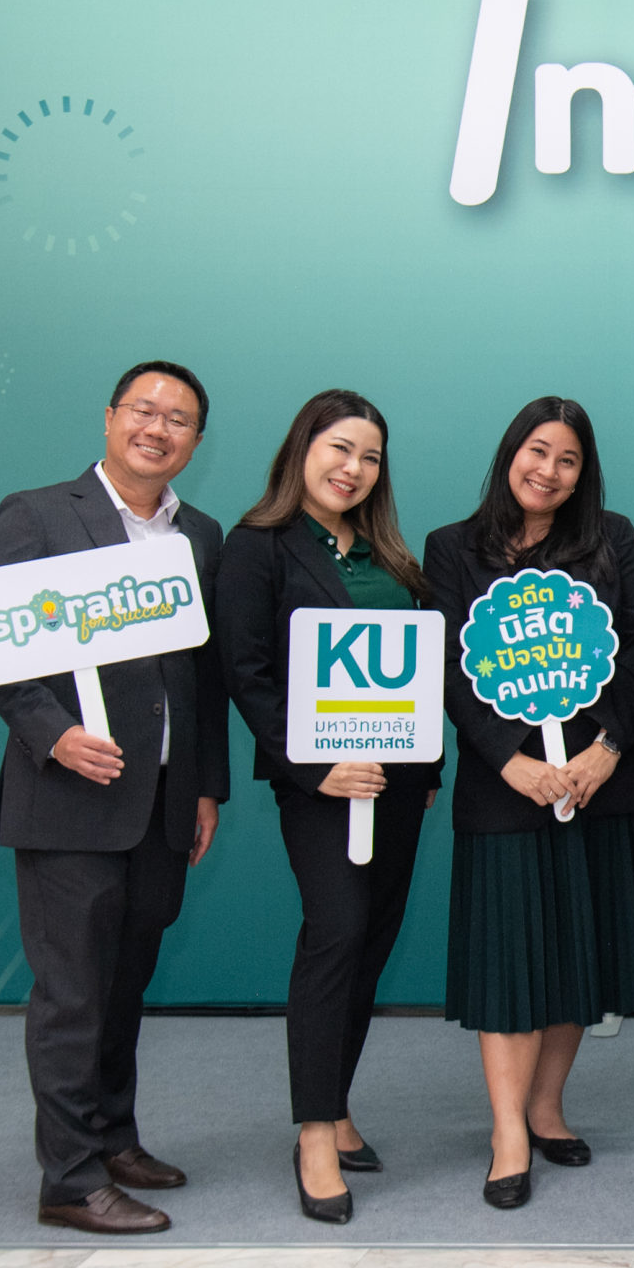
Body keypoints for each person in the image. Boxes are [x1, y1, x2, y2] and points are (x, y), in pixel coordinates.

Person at [0, 361, 228, 1235]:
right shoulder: (38, 513)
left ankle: (113, 1138)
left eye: (179, 419)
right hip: (68, 798)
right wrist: (52, 733)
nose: (158, 428)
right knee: (73, 994)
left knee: (124, 985)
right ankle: (71, 1179)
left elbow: (202, 676)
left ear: (197, 440)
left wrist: (205, 787)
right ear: (111, 417)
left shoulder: (199, 534)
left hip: (163, 802)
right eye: (144, 410)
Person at [424, 397, 634, 1212]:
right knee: (512, 962)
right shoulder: (452, 547)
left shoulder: (613, 538)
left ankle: (545, 1106)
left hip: (601, 781)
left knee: (581, 952)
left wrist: (609, 748)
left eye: (568, 459)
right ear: (510, 453)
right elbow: (448, 669)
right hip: (507, 788)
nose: (549, 470)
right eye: (538, 450)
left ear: (583, 472)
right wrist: (510, 759)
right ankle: (507, 1134)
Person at [220, 390, 440, 1225]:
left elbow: (419, 663)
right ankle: (313, 1132)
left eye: (370, 457)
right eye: (339, 448)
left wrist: (425, 762)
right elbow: (246, 673)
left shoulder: (391, 555)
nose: (353, 468)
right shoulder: (257, 546)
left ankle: (338, 1101)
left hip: (399, 782)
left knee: (373, 939)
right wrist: (316, 769)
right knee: (335, 932)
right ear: (302, 448)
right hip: (320, 784)